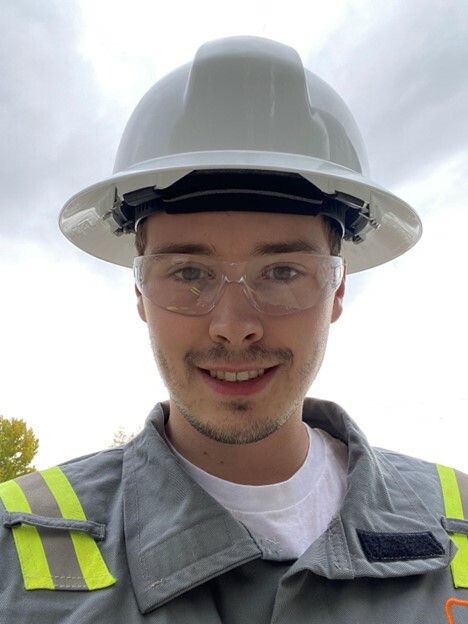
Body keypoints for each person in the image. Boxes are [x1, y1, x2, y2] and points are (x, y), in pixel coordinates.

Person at [0, 36, 467, 624]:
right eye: (189, 273)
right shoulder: (11, 552)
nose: (233, 327)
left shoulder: (458, 526)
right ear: (141, 292)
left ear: (337, 290)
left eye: (282, 272)